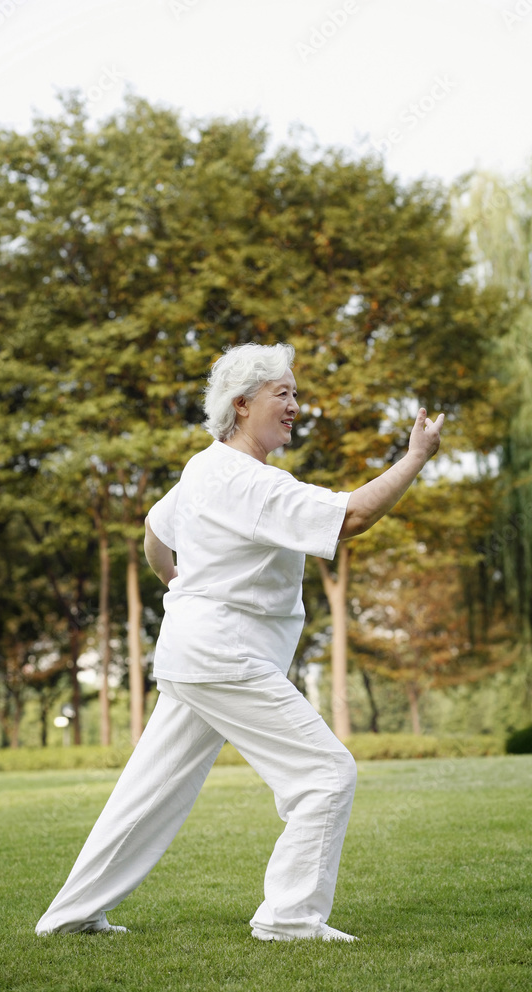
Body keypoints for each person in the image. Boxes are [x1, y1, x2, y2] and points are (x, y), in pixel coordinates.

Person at [35, 342, 443, 942]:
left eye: (295, 394)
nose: (295, 406)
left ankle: (67, 920)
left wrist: (181, 587)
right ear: (242, 403)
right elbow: (352, 517)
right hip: (225, 659)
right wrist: (415, 458)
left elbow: (154, 531)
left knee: (146, 797)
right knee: (326, 775)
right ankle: (289, 920)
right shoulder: (246, 483)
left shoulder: (204, 469)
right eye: (283, 394)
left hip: (193, 655)